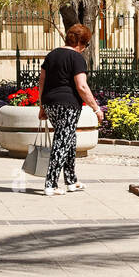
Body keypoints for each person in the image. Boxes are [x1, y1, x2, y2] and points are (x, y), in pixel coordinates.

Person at [35, 23, 104, 196]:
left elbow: (41, 82)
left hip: (51, 102)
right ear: (81, 42)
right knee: (62, 141)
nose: (85, 49)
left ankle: (71, 180)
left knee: (69, 139)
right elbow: (81, 86)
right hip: (67, 104)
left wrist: (42, 105)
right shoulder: (76, 58)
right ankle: (50, 184)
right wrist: (96, 108)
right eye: (86, 45)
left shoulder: (52, 55)